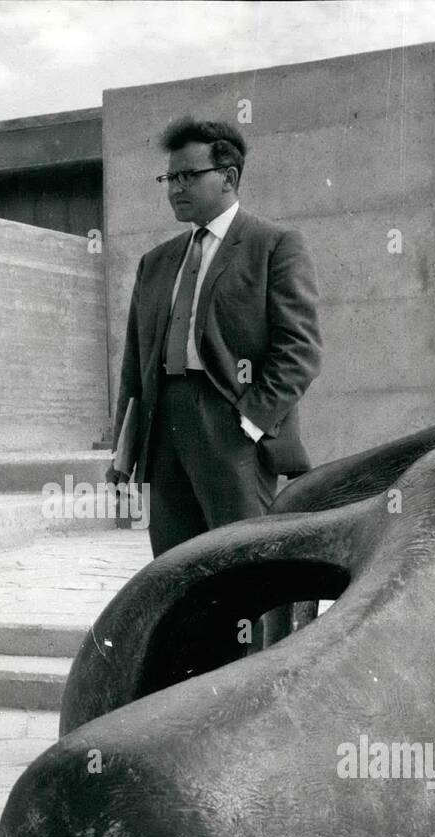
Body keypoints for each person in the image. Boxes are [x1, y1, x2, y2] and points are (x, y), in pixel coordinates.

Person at [110, 117, 323, 558]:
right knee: (176, 571)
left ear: (228, 177)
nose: (174, 188)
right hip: (161, 429)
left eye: (188, 175)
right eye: (170, 177)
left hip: (230, 425)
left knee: (243, 567)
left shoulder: (274, 245)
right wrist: (123, 452)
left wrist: (249, 422)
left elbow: (299, 349)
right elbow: (135, 364)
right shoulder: (156, 262)